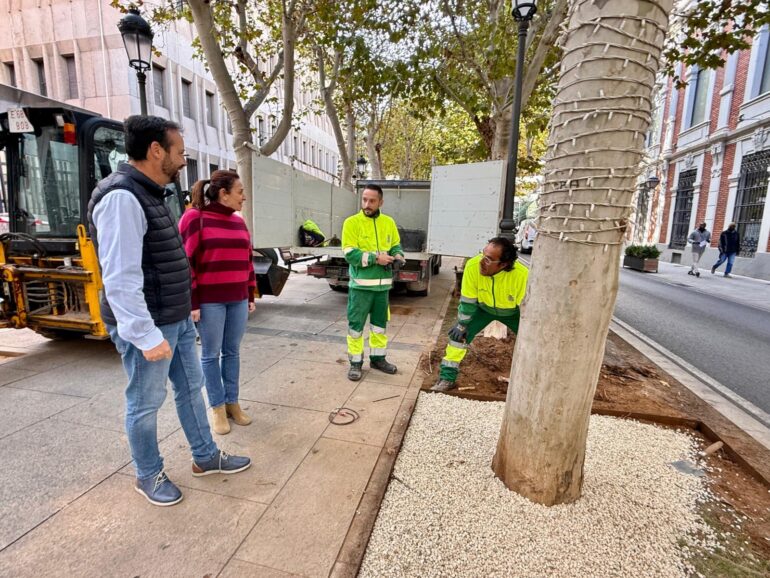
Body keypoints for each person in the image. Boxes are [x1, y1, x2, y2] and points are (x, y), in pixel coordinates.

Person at [88, 116, 250, 507]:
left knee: (191, 391)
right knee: (144, 403)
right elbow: (121, 276)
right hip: (152, 326)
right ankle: (148, 474)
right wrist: (144, 335)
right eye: (178, 152)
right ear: (155, 150)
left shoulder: (151, 194)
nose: (183, 160)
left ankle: (205, 456)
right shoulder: (122, 197)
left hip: (173, 318)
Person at [179, 170, 257, 435]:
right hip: (210, 301)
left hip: (237, 299)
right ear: (223, 193)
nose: (243, 197)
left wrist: (250, 293)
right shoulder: (194, 218)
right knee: (210, 355)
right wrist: (193, 302)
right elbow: (185, 263)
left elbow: (247, 260)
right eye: (240, 191)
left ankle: (233, 403)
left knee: (232, 352)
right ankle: (217, 407)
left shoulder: (239, 222)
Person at [432, 237, 529, 392]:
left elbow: (527, 310)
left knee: (531, 342)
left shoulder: (522, 275)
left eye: (489, 259)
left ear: (503, 264)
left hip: (514, 312)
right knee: (457, 337)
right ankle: (447, 378)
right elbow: (468, 300)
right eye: (482, 254)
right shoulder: (473, 266)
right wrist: (462, 324)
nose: (481, 261)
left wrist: (529, 332)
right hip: (483, 309)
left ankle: (529, 381)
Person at [342, 184, 405, 381]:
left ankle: (378, 359)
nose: (367, 204)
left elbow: (395, 244)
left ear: (381, 202)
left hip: (383, 288)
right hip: (360, 288)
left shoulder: (389, 222)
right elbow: (350, 254)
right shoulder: (351, 223)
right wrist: (376, 258)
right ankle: (355, 363)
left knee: (379, 326)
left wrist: (399, 255)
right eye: (364, 200)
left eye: (372, 201)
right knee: (356, 327)